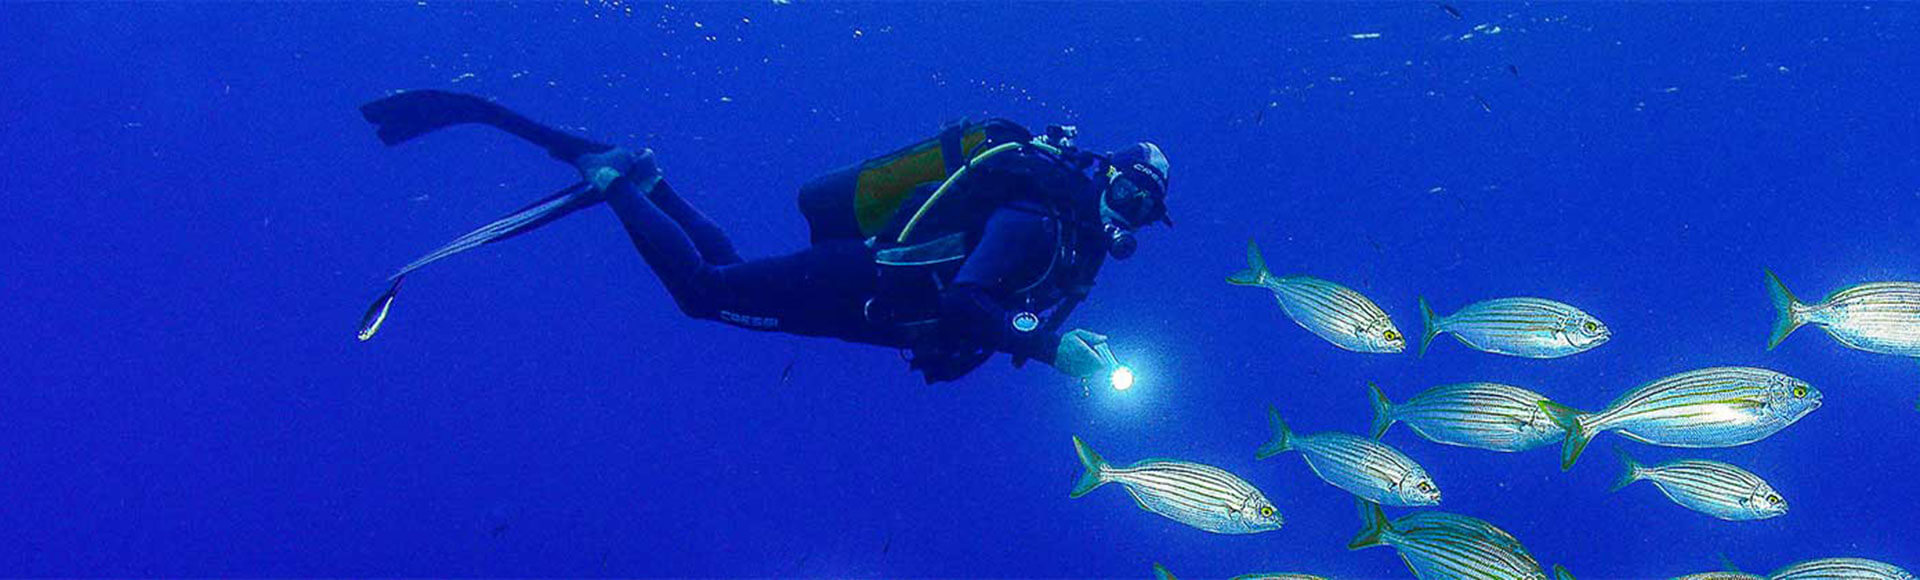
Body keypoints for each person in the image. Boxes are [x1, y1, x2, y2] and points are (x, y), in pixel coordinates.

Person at [356, 90, 1171, 385]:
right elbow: (966, 299)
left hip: (865, 305)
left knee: (730, 272)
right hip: (861, 285)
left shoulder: (1071, 252)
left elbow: (984, 313)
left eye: (1144, 210)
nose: (1127, 213)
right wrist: (1045, 347)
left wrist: (1043, 334)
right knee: (703, 296)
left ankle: (650, 183)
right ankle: (612, 182)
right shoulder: (1037, 219)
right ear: (1104, 175)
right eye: (1128, 192)